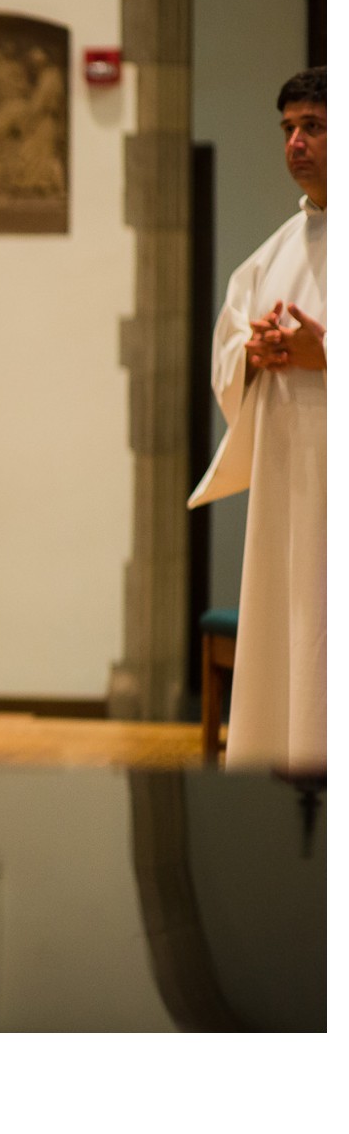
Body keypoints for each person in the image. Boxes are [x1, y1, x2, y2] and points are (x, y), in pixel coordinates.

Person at [188, 66, 326, 771]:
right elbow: (225, 363)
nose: (296, 143)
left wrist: (324, 353)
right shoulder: (269, 258)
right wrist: (255, 352)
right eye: (288, 130)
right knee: (297, 645)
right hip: (292, 495)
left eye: (314, 127)